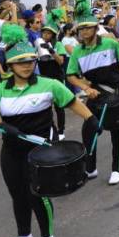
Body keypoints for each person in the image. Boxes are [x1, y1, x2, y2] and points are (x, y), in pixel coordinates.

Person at [0, 25, 98, 237]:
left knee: (37, 192)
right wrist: (2, 126)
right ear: (10, 65)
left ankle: (47, 236)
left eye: (30, 60)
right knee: (17, 193)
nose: (27, 65)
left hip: (42, 150)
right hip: (12, 150)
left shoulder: (50, 85)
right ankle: (24, 235)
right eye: (20, 62)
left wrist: (91, 119)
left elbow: (73, 104)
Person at [66, 0, 119, 185]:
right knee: (89, 130)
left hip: (115, 94)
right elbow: (70, 75)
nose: (85, 31)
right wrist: (84, 87)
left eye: (88, 27)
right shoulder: (77, 52)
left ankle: (116, 169)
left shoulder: (111, 44)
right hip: (95, 96)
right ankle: (91, 167)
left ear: (95, 28)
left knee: (116, 132)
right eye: (81, 28)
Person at [35, 8, 70, 139]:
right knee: (45, 106)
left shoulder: (59, 44)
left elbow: (61, 61)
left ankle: (61, 131)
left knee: (59, 106)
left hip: (57, 77)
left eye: (49, 33)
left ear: (54, 34)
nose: (45, 35)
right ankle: (49, 129)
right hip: (44, 78)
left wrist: (51, 50)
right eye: (44, 32)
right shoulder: (38, 44)